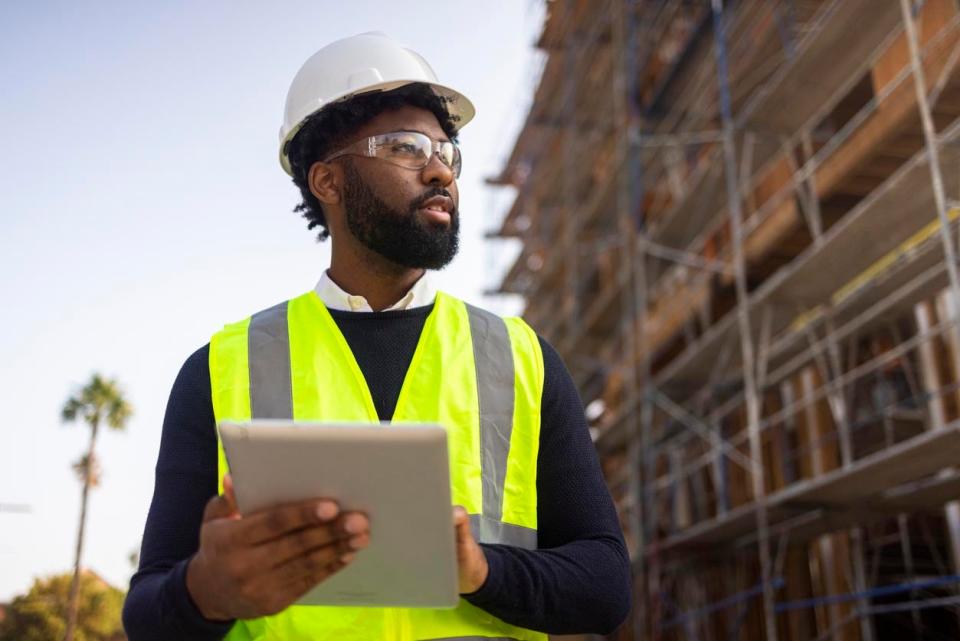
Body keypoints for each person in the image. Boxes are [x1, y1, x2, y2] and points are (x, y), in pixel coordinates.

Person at [122, 32, 631, 641]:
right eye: (405, 147)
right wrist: (203, 591)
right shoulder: (219, 368)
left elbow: (606, 586)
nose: (441, 169)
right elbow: (148, 612)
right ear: (327, 182)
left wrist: (480, 569)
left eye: (448, 151)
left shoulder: (522, 357)